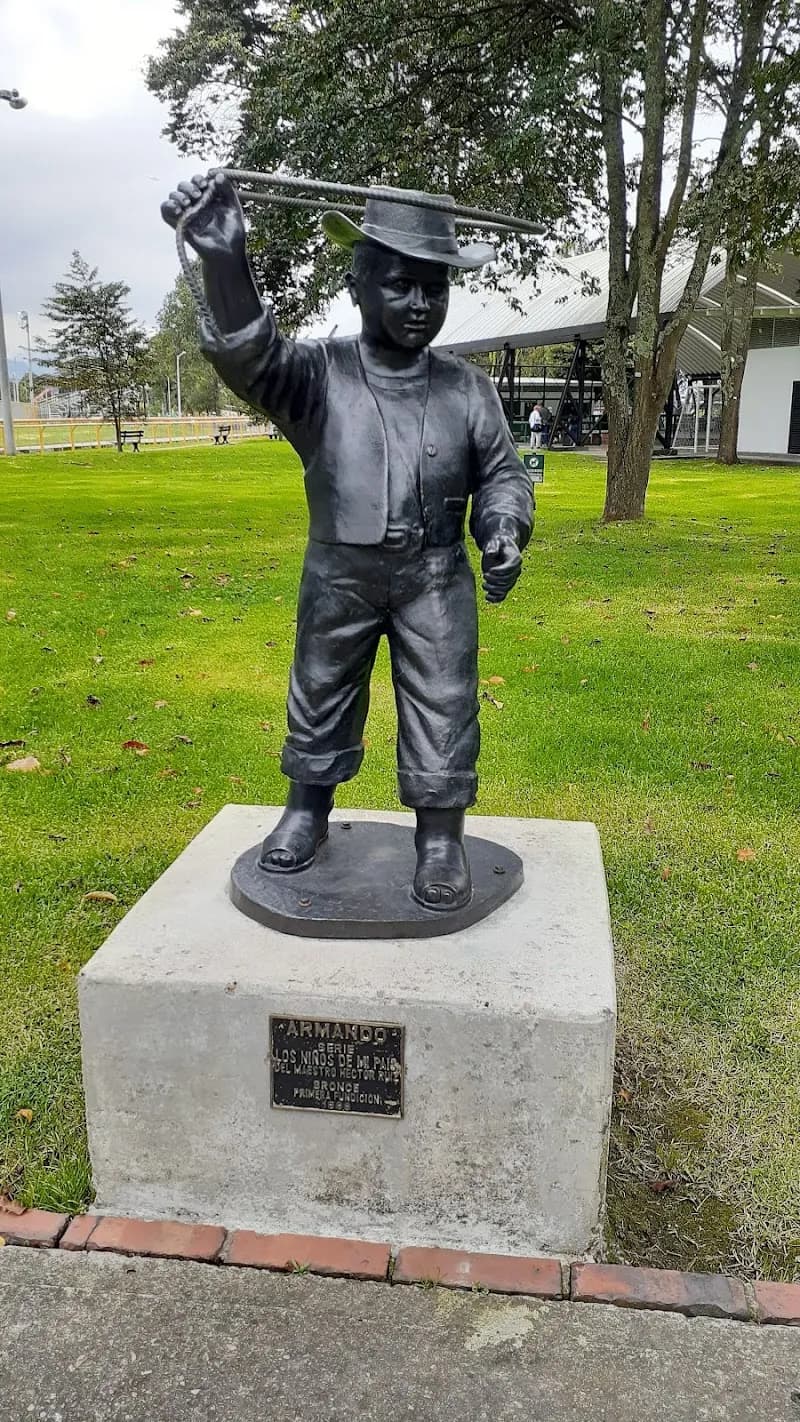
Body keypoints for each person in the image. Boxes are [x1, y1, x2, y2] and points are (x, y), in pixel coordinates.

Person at [161, 171, 533, 912]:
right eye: (400, 285)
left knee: (445, 701)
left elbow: (503, 475)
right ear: (358, 286)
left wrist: (501, 529)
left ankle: (440, 836)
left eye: (434, 289)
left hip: (435, 576)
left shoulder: (468, 388)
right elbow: (249, 356)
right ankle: (306, 810)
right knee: (321, 688)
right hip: (340, 574)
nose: (419, 304)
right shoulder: (315, 375)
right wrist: (226, 261)